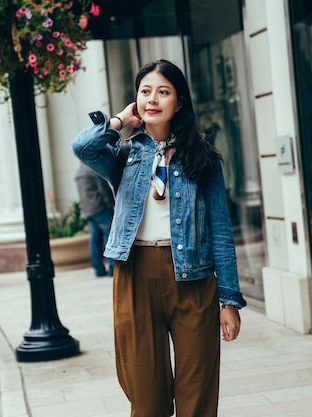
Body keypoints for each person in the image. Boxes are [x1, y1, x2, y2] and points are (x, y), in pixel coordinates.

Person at [71, 59, 246, 417]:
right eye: (145, 91)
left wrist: (228, 301)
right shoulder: (122, 155)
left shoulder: (203, 157)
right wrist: (119, 121)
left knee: (197, 391)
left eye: (163, 92)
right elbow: (83, 147)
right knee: (146, 396)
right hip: (135, 275)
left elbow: (222, 233)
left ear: (179, 102)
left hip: (194, 279)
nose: (153, 99)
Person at [74, 162, 115, 277]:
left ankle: (98, 269)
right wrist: (111, 203)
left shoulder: (79, 172)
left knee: (95, 239)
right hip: (101, 208)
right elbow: (104, 189)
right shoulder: (92, 169)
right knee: (109, 236)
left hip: (89, 210)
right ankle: (113, 266)